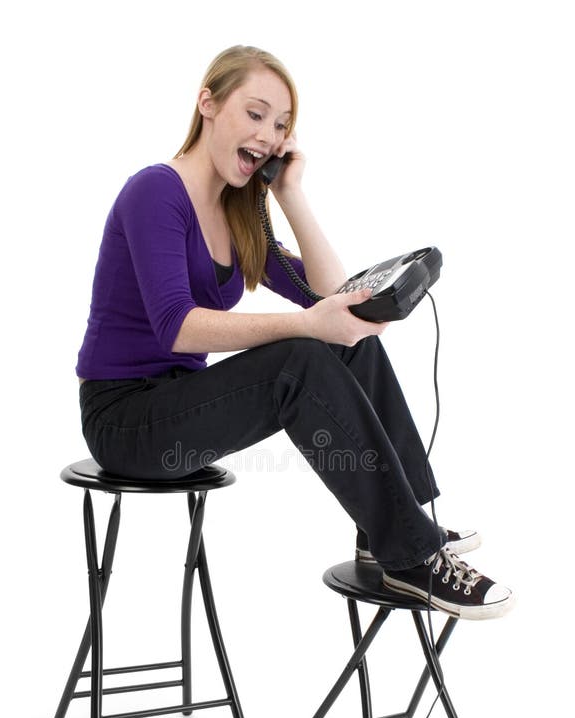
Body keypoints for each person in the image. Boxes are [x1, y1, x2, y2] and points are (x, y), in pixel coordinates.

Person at [75, 44, 514, 621]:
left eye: (280, 125)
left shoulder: (239, 213)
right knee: (298, 358)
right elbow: (176, 326)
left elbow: (333, 298)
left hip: (180, 412)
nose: (267, 135)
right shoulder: (155, 191)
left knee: (344, 338)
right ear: (207, 102)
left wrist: (289, 193)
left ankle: (390, 525)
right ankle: (413, 556)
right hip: (126, 423)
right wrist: (310, 324)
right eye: (255, 114)